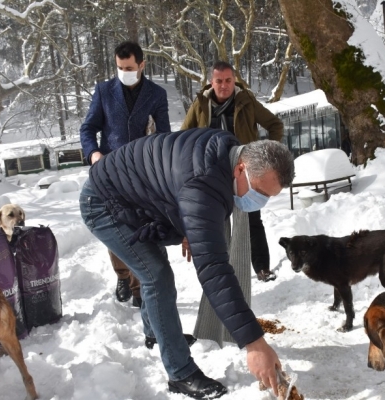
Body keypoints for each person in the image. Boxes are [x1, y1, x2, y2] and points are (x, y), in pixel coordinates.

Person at [79, 128, 294, 398]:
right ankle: (180, 373)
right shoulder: (203, 184)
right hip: (102, 203)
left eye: (268, 197)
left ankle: (156, 333)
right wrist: (254, 344)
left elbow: (175, 185)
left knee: (153, 271)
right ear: (241, 169)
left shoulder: (224, 154)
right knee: (156, 276)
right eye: (260, 192)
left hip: (131, 194)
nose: (260, 202)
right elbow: (214, 271)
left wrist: (187, 226)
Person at [80, 40, 170, 308]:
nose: (124, 71)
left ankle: (142, 284)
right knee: (117, 223)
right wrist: (94, 154)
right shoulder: (104, 91)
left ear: (142, 65)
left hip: (142, 171)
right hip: (109, 172)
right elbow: (87, 129)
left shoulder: (156, 94)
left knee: (141, 223)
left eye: (129, 67)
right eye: (119, 67)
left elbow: (164, 136)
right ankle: (123, 276)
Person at [181, 61, 283, 283]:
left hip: (245, 170)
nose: (224, 85)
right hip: (212, 173)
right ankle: (223, 272)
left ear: (233, 80)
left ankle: (262, 268)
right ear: (211, 82)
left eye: (228, 80)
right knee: (217, 222)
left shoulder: (246, 101)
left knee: (252, 219)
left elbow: (275, 124)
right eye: (219, 81)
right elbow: (181, 138)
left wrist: (266, 156)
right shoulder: (200, 104)